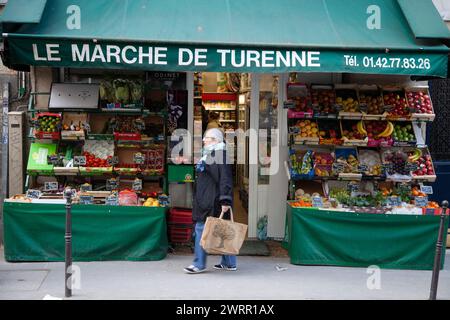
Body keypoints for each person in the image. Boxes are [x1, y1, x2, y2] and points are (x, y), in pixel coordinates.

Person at [184, 128, 235, 274]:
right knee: (222, 228)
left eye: (207, 138)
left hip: (211, 199)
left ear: (216, 141)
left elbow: (225, 178)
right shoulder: (210, 154)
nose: (204, 140)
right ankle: (229, 263)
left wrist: (225, 200)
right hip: (208, 197)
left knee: (201, 228)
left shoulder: (220, 155)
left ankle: (199, 264)